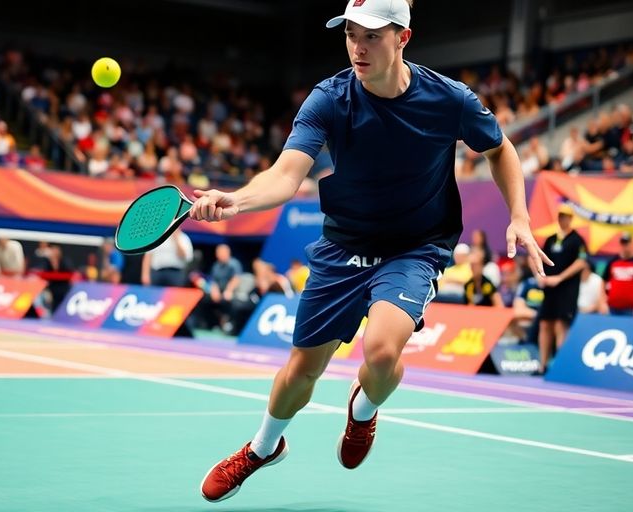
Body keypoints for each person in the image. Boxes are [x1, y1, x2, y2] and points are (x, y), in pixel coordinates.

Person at [191, 0, 549, 502]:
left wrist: (520, 217)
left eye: (372, 36)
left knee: (381, 352)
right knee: (302, 370)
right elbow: (286, 174)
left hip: (414, 247)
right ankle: (263, 447)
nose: (358, 47)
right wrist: (236, 200)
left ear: (403, 38)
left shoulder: (450, 100)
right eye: (351, 34)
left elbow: (499, 148)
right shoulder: (329, 99)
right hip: (343, 245)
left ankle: (362, 410)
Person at [538, 204, 588, 372]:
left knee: (561, 325)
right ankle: (542, 365)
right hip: (549, 288)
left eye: (565, 216)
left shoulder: (577, 240)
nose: (562, 219)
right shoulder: (551, 239)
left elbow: (581, 262)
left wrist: (559, 278)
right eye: (560, 215)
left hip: (567, 289)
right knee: (545, 324)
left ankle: (560, 366)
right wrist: (541, 275)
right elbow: (540, 258)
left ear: (571, 218)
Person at [601, 232, 633, 316]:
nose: (625, 246)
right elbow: (603, 280)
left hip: (632, 310)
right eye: (623, 244)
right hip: (612, 309)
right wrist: (603, 302)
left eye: (627, 244)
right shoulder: (613, 261)